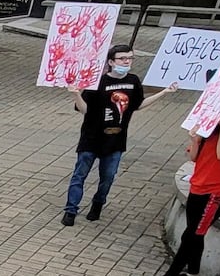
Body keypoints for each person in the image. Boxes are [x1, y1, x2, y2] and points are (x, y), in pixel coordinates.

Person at [141, 94, 220, 276]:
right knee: (195, 232)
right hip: (198, 186)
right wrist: (196, 140)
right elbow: (195, 158)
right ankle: (193, 271)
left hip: (218, 191)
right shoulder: (212, 129)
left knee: (193, 233)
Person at [63, 44, 180, 226]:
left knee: (108, 177)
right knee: (80, 175)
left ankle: (98, 204)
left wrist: (164, 92)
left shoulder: (133, 81)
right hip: (91, 139)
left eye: (130, 58)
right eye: (122, 58)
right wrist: (76, 95)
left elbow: (138, 104)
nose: (127, 61)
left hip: (115, 141)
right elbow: (84, 109)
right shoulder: (98, 83)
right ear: (111, 62)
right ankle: (71, 210)